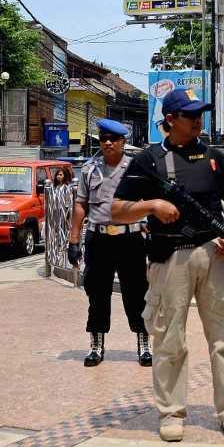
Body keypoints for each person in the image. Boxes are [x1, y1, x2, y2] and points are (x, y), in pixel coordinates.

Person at [111, 88, 224, 444]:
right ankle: (171, 412)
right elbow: (117, 209)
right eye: (191, 115)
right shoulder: (149, 161)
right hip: (170, 258)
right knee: (170, 339)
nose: (198, 120)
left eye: (200, 114)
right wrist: (153, 205)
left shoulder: (214, 158)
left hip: (213, 256)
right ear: (171, 120)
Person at [67, 119, 151, 368]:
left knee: (136, 293)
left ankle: (144, 343)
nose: (107, 143)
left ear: (123, 142)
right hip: (98, 238)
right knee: (97, 293)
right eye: (103, 138)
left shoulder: (136, 168)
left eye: (113, 139)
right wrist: (74, 240)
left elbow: (149, 201)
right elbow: (81, 204)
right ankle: (96, 345)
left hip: (130, 238)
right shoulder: (90, 169)